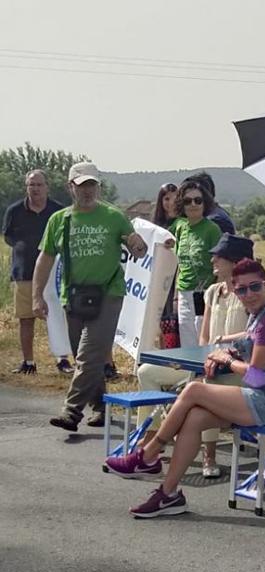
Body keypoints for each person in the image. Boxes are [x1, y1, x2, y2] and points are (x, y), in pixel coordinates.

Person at [105, 258, 265, 517]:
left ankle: (148, 455)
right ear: (235, 291)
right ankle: (168, 495)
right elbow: (250, 341)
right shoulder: (262, 314)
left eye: (255, 287)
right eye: (242, 290)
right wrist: (228, 351)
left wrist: (227, 359)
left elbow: (257, 377)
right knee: (194, 418)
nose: (249, 294)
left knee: (194, 390)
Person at [31, 162, 148, 431]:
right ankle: (101, 407)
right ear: (70, 187)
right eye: (82, 185)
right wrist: (37, 296)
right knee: (84, 355)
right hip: (74, 295)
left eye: (92, 185)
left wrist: (138, 245)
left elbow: (137, 247)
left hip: (108, 292)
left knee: (89, 353)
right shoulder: (59, 220)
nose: (87, 190)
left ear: (99, 187)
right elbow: (45, 259)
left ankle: (71, 411)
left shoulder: (113, 216)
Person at [134, 234, 254, 478]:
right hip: (207, 362)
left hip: (235, 369)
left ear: (235, 261)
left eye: (219, 256)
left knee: (206, 383)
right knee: (146, 371)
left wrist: (222, 350)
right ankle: (151, 434)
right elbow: (204, 337)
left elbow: (255, 335)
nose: (212, 260)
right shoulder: (212, 291)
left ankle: (209, 454)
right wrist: (201, 359)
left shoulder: (249, 294)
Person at [3, 169, 66, 374]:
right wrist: (24, 246)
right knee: (26, 318)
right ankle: (28, 363)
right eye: (32, 185)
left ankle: (63, 359)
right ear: (26, 187)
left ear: (47, 187)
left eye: (39, 185)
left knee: (57, 318)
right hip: (24, 272)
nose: (36, 189)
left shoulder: (58, 211)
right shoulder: (14, 211)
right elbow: (8, 236)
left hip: (53, 274)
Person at [171, 179, 223, 347]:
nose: (193, 204)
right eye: (187, 201)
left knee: (204, 341)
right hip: (183, 293)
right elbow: (179, 264)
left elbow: (221, 264)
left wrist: (217, 294)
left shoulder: (212, 229)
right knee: (187, 342)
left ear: (204, 203)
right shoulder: (180, 228)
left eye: (198, 200)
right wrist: (176, 297)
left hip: (205, 293)